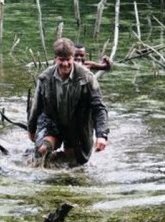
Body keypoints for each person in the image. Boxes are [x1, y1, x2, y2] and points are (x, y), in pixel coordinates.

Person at [27, 38, 109, 166]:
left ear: (72, 58)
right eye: (61, 60)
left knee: (75, 161)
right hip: (52, 121)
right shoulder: (45, 78)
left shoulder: (87, 77)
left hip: (78, 125)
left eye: (68, 59)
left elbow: (99, 108)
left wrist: (101, 135)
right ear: (55, 59)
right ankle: (43, 160)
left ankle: (59, 162)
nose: (65, 64)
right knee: (42, 150)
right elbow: (37, 106)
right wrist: (31, 129)